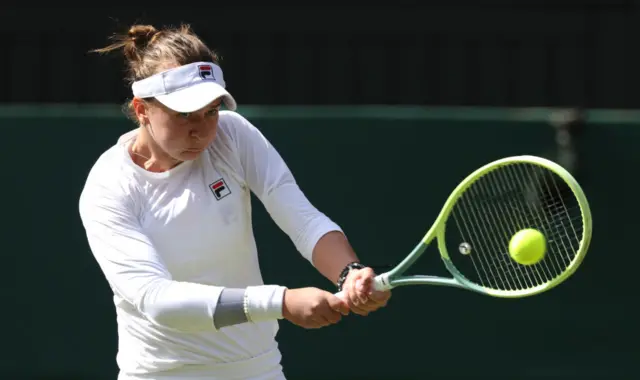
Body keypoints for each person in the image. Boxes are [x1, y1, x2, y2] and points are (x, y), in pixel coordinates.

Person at [78, 23, 391, 380]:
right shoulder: (109, 186)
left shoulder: (233, 135)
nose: (201, 128)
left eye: (210, 111)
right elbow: (156, 299)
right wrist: (280, 303)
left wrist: (349, 274)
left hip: (257, 369)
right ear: (142, 110)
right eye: (183, 115)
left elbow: (302, 217)